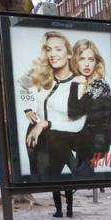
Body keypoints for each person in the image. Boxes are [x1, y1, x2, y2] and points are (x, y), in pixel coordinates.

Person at [20, 31, 85, 180]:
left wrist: (45, 124)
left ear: (69, 54)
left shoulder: (79, 82)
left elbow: (78, 122)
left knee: (55, 177)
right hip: (35, 134)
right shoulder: (44, 76)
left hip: (61, 138)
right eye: (48, 49)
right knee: (39, 176)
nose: (52, 54)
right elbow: (22, 85)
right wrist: (28, 108)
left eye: (58, 49)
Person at [67, 39, 111, 177]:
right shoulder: (83, 81)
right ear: (75, 61)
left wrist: (74, 86)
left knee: (83, 175)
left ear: (96, 62)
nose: (87, 64)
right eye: (82, 58)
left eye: (91, 59)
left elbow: (74, 113)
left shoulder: (98, 85)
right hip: (84, 142)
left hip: (94, 143)